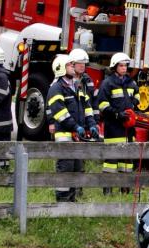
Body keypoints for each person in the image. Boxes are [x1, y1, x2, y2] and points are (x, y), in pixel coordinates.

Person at [46, 54, 98, 202]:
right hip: (65, 135)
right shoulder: (56, 88)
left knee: (77, 167)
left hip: (77, 135)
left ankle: (72, 200)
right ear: (61, 68)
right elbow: (60, 113)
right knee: (65, 168)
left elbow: (87, 107)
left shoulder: (77, 86)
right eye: (70, 65)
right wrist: (75, 127)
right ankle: (62, 200)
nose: (73, 67)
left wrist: (92, 125)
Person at [97, 52, 139, 195]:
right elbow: (102, 105)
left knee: (127, 162)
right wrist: (117, 114)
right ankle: (107, 192)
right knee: (111, 161)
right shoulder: (107, 83)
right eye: (121, 65)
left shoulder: (131, 82)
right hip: (114, 128)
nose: (124, 68)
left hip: (128, 131)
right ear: (115, 67)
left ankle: (125, 190)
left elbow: (137, 96)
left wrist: (133, 104)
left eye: (125, 65)